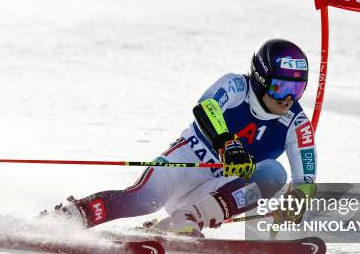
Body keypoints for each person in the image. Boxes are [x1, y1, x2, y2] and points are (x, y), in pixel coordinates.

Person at [51, 39, 317, 236]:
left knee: (274, 174)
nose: (289, 97)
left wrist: (296, 200)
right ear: (260, 79)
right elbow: (206, 107)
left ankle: (186, 220)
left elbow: (305, 179)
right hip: (187, 162)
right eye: (281, 87)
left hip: (217, 190)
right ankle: (68, 217)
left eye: (299, 87)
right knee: (144, 200)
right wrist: (227, 143)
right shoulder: (237, 85)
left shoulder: (296, 122)